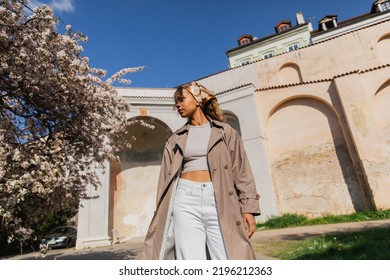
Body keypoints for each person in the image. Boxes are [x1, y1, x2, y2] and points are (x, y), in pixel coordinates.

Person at [138, 81, 261, 260]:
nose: (177, 105)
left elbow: (241, 170)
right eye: (176, 102)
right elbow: (165, 181)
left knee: (227, 256)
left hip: (219, 197)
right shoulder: (175, 140)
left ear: (197, 99)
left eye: (181, 99)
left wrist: (247, 208)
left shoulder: (226, 132)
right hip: (185, 198)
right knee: (190, 259)